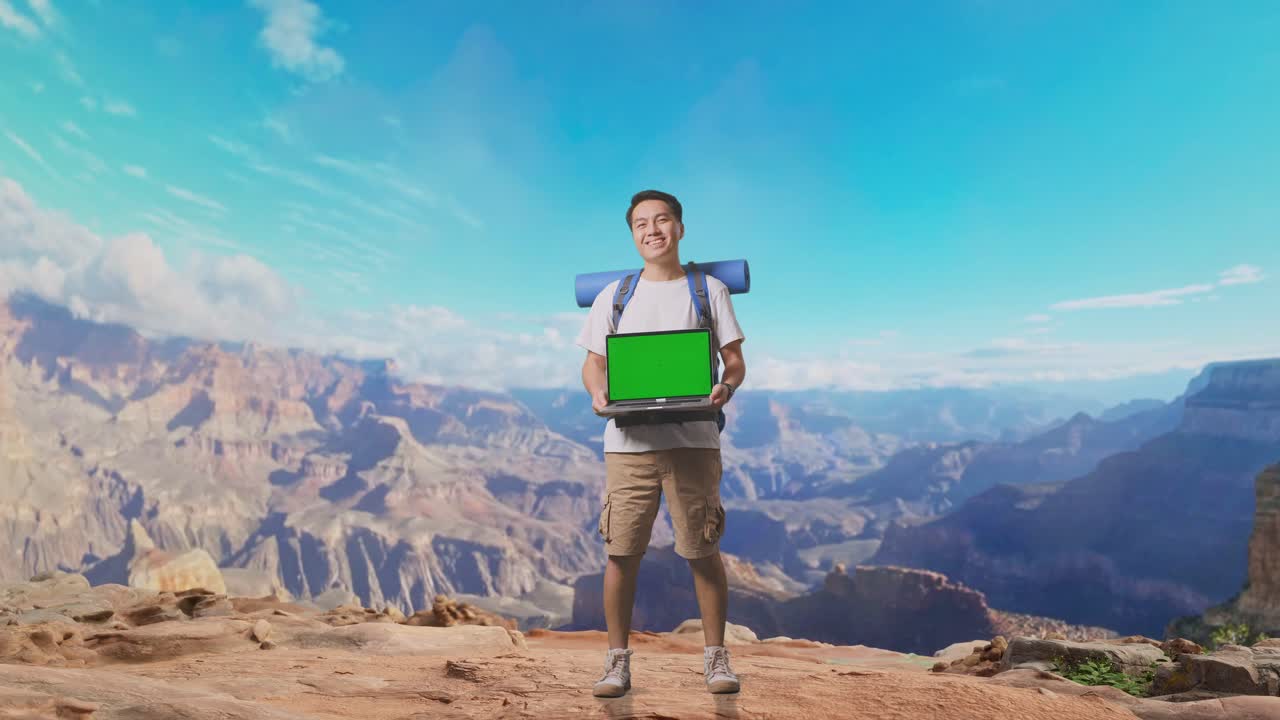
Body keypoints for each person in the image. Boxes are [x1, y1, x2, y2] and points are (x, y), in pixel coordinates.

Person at [575, 189, 747, 697]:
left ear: (680, 228)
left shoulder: (708, 290)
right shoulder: (616, 295)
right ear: (632, 235)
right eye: (641, 224)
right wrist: (597, 389)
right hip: (627, 445)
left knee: (702, 549)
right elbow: (592, 361)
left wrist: (726, 386)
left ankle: (716, 660)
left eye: (663, 220)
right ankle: (616, 663)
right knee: (621, 552)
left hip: (694, 440)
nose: (653, 230)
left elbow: (734, 359)